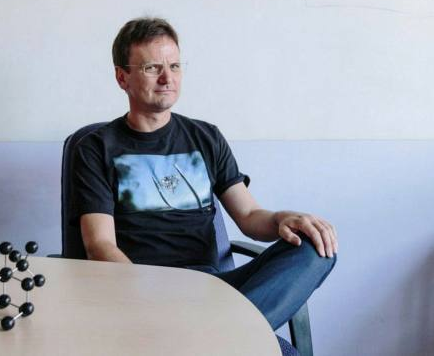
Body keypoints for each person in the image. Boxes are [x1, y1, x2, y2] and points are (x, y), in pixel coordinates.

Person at [71, 17, 337, 332]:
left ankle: (218, 335)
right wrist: (142, 301)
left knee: (316, 247)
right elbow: (100, 245)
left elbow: (249, 216)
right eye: (152, 68)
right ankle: (227, 336)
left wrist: (283, 218)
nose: (167, 78)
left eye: (174, 66)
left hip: (212, 290)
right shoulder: (96, 148)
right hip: (145, 291)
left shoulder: (206, 137)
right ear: (122, 77)